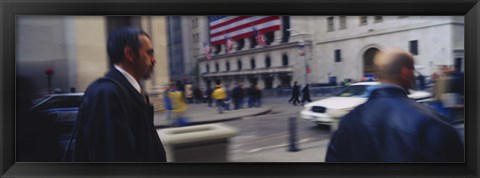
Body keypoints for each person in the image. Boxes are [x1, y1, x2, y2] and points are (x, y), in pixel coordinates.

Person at [325, 48, 464, 162]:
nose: (415, 76)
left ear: (377, 75)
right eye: (413, 72)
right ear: (406, 72)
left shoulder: (347, 121)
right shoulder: (433, 123)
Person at [71, 27, 166, 162]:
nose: (154, 60)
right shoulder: (106, 94)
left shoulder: (131, 91)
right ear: (129, 54)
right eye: (149, 53)